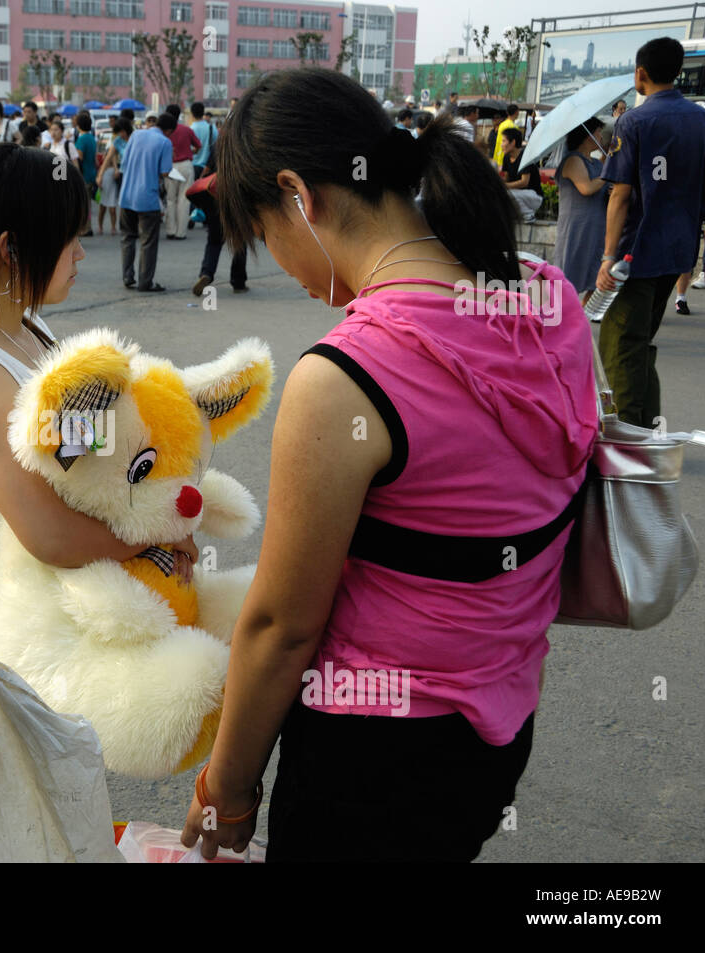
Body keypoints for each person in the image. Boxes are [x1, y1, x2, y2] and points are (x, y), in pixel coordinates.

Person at [178, 66, 597, 863]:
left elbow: (281, 626)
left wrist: (226, 789)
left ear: (302, 198)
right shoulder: (548, 298)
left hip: (372, 758)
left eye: (266, 233)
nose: (281, 265)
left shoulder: (346, 377)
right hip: (497, 729)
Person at [0, 143, 195, 642]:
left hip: (42, 608)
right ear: (12, 248)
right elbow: (52, 535)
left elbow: (74, 443)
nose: (82, 253)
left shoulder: (23, 323)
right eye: (70, 239)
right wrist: (156, 533)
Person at [596, 36, 705, 427]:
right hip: (679, 252)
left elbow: (619, 196)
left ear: (640, 73)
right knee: (641, 342)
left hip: (636, 254)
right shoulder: (703, 120)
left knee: (621, 345)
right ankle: (647, 427)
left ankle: (629, 435)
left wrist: (607, 258)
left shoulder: (634, 121)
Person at [554, 118, 609, 308]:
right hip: (577, 228)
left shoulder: (596, 162)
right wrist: (609, 173)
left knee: (596, 279)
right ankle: (561, 318)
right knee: (569, 278)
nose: (601, 136)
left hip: (597, 227)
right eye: (598, 132)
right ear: (588, 136)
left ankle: (581, 315)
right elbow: (586, 188)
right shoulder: (573, 160)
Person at [118, 114, 173, 292]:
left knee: (127, 238)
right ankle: (145, 282)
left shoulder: (136, 135)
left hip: (126, 195)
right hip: (147, 199)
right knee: (148, 242)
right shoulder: (165, 142)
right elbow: (165, 172)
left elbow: (124, 163)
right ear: (169, 130)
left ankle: (127, 277)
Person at [189, 148, 247, 296]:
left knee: (213, 242)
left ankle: (206, 273)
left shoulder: (218, 145)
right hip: (238, 201)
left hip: (216, 199)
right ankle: (238, 282)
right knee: (239, 243)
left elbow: (206, 172)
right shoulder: (244, 143)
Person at [162, 103, 201, 239]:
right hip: (185, 165)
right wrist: (189, 151)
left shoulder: (164, 131)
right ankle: (181, 232)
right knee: (184, 200)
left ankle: (170, 231)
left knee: (170, 199)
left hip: (170, 167)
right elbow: (198, 146)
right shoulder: (187, 130)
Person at [94, 117, 131, 235]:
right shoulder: (118, 141)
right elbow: (108, 158)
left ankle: (132, 224)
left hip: (136, 173)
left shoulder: (135, 139)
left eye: (120, 131)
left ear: (125, 130)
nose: (119, 134)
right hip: (123, 173)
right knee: (123, 200)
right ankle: (125, 226)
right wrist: (100, 175)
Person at [500, 127, 543, 222]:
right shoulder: (507, 158)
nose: (501, 145)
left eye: (504, 141)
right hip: (519, 196)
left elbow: (524, 182)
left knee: (507, 193)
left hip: (534, 197)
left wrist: (504, 186)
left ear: (513, 142)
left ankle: (528, 214)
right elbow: (507, 179)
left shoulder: (525, 157)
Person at [74, 111, 98, 237]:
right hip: (91, 173)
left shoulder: (81, 140)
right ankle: (88, 227)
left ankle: (85, 228)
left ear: (78, 125)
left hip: (83, 175)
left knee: (83, 204)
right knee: (87, 203)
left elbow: (79, 158)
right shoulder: (92, 138)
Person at [189, 101, 215, 180]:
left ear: (192, 114)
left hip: (193, 167)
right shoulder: (212, 128)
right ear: (203, 112)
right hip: (208, 168)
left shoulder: (190, 130)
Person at [492, 103, 520, 168]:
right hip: (507, 158)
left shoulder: (502, 125)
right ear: (516, 112)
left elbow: (498, 142)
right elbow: (514, 146)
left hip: (498, 156)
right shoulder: (513, 127)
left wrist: (495, 157)